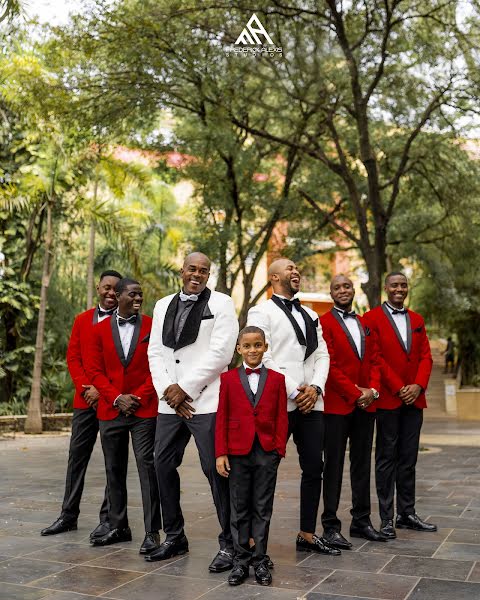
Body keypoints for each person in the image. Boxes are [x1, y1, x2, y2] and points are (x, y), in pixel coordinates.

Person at [146, 252, 239, 571]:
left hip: (206, 400)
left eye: (203, 270)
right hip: (170, 402)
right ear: (182, 270)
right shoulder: (161, 305)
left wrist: (185, 388)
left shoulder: (222, 303)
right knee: (161, 465)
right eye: (192, 269)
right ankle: (174, 536)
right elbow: (155, 351)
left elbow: (222, 351)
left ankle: (230, 542)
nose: (196, 274)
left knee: (217, 471)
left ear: (208, 274)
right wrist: (168, 391)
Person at [247, 258, 339, 556]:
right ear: (274, 277)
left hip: (313, 403)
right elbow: (264, 355)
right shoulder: (260, 312)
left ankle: (307, 534)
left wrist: (315, 388)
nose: (296, 271)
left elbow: (322, 355)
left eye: (297, 267)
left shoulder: (312, 314)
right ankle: (253, 540)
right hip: (279, 403)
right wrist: (293, 391)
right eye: (289, 268)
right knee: (265, 469)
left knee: (314, 467)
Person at [41, 269, 122, 539]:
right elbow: (73, 357)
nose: (111, 293)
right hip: (84, 399)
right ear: (99, 288)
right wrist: (86, 388)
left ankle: (108, 518)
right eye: (106, 287)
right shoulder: (81, 320)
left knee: (114, 461)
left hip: (111, 402)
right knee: (77, 457)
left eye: (115, 289)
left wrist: (103, 391)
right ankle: (68, 515)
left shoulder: (125, 323)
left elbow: (124, 364)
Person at [86, 278, 161, 554]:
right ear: (118, 296)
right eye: (133, 294)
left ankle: (152, 532)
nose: (139, 298)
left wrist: (137, 397)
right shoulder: (98, 330)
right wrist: (117, 398)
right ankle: (118, 526)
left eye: (141, 294)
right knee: (113, 470)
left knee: (147, 467)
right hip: (111, 408)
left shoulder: (153, 326)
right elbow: (94, 371)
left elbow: (158, 366)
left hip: (144, 410)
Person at [363, 272, 437, 539]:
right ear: (386, 288)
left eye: (403, 285)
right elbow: (375, 358)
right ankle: (386, 518)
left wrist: (417, 385)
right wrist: (398, 387)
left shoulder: (417, 319)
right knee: (386, 458)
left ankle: (407, 513)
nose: (399, 288)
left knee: (409, 457)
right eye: (394, 285)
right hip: (388, 399)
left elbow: (426, 356)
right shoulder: (370, 318)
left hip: (414, 399)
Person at [216, 326, 288, 587]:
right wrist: (220, 453)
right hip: (237, 451)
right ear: (239, 349)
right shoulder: (228, 379)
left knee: (262, 508)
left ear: (265, 347)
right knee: (239, 508)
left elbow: (282, 417)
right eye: (247, 346)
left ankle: (259, 561)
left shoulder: (278, 380)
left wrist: (278, 450)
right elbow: (222, 416)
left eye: (258, 345)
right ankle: (240, 561)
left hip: (266, 452)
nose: (253, 350)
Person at [320, 275, 386, 550]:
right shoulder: (323, 323)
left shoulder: (364, 323)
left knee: (362, 464)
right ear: (331, 292)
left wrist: (372, 390)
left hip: (365, 405)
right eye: (337, 287)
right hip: (337, 405)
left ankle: (361, 521)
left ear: (353, 289)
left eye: (347, 286)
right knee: (333, 466)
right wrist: (355, 392)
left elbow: (375, 359)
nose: (343, 290)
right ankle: (330, 526)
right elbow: (330, 364)